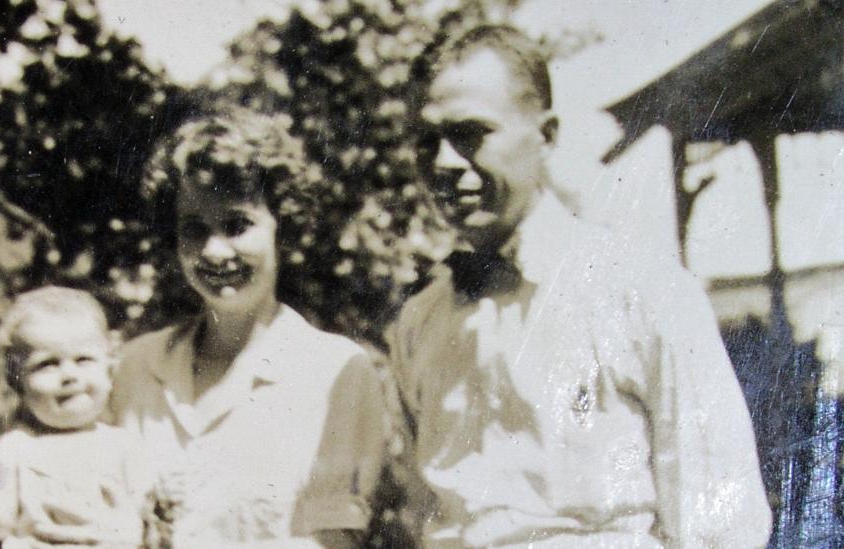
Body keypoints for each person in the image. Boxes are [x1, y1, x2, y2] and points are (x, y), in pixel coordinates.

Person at [387, 24, 772, 548]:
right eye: (428, 140)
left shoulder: (642, 292)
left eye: (470, 134)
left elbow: (718, 522)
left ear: (546, 136)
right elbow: (422, 514)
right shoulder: (421, 323)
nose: (445, 163)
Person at [109, 107, 387, 548]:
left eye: (238, 225)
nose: (215, 251)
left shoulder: (337, 373)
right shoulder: (135, 366)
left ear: (284, 228)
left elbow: (329, 543)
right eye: (194, 229)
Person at [0, 286, 143, 548]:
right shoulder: (16, 448)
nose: (69, 375)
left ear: (110, 369)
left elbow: (143, 520)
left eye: (83, 360)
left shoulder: (123, 446)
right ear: (18, 381)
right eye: (47, 363)